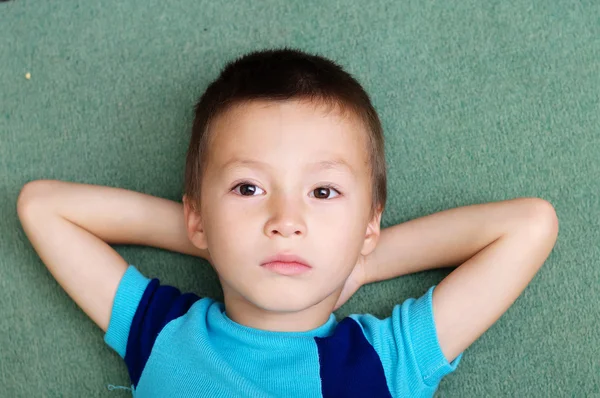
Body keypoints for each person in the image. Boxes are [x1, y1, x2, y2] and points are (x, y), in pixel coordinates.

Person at [16, 47, 559, 397]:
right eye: (248, 189)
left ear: (369, 224)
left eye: (323, 192)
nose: (285, 220)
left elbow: (529, 226)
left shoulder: (384, 360)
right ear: (196, 218)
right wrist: (213, 237)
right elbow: (42, 207)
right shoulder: (162, 332)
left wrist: (358, 263)